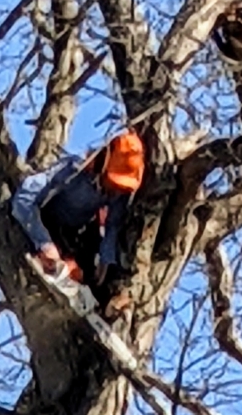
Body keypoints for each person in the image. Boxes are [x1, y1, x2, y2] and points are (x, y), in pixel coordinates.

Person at [13, 129, 144, 306]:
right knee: (63, 268)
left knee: (93, 275)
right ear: (103, 163)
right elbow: (24, 199)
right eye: (113, 184)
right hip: (47, 224)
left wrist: (106, 260)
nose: (114, 192)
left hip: (79, 234)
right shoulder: (71, 171)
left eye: (119, 187)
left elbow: (113, 224)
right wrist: (45, 243)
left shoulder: (118, 194)